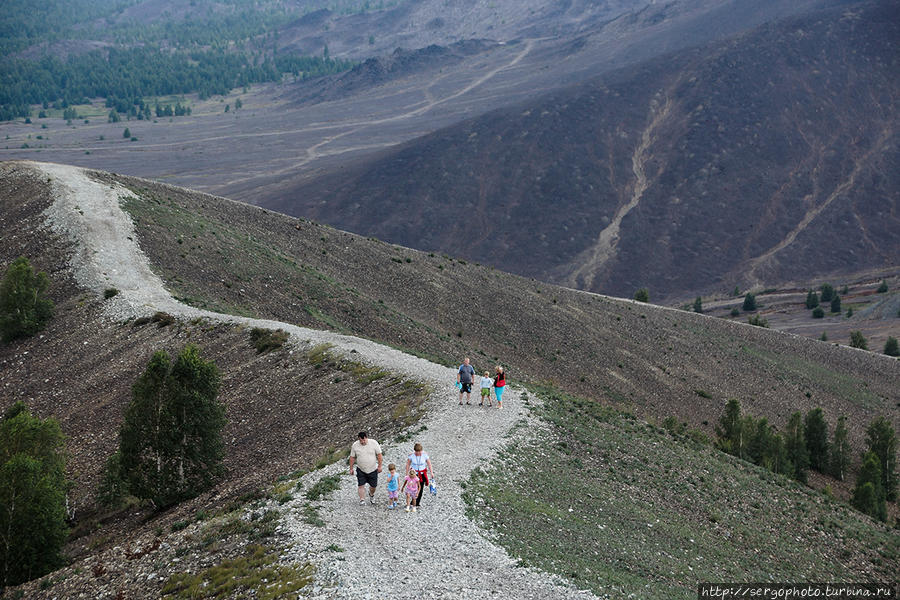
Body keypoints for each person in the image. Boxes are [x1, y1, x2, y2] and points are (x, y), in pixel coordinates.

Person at [348, 431, 383, 505]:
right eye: (361, 440)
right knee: (361, 485)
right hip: (361, 469)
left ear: (366, 438)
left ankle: (371, 495)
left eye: (364, 440)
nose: (362, 442)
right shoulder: (355, 445)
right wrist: (351, 468)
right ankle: (362, 500)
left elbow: (379, 455)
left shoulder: (374, 443)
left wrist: (380, 466)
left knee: (373, 486)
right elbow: (352, 457)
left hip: (373, 469)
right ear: (358, 439)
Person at [405, 442, 434, 509]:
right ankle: (412, 501)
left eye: (419, 451)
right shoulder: (412, 456)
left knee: (420, 488)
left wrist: (431, 472)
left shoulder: (425, 455)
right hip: (413, 473)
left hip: (422, 473)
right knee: (411, 487)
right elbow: (408, 464)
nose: (418, 453)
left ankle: (416, 503)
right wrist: (407, 473)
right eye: (417, 451)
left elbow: (429, 464)